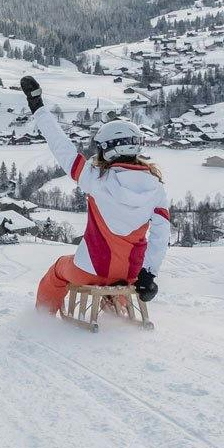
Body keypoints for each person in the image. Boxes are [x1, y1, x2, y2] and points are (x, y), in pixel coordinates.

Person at [18, 76, 169, 315]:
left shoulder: (96, 178)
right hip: (130, 276)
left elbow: (61, 146)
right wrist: (148, 274)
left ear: (110, 150)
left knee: (57, 271)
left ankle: (42, 318)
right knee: (117, 277)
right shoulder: (157, 188)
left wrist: (37, 106)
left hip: (91, 270)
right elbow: (161, 236)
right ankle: (116, 311)